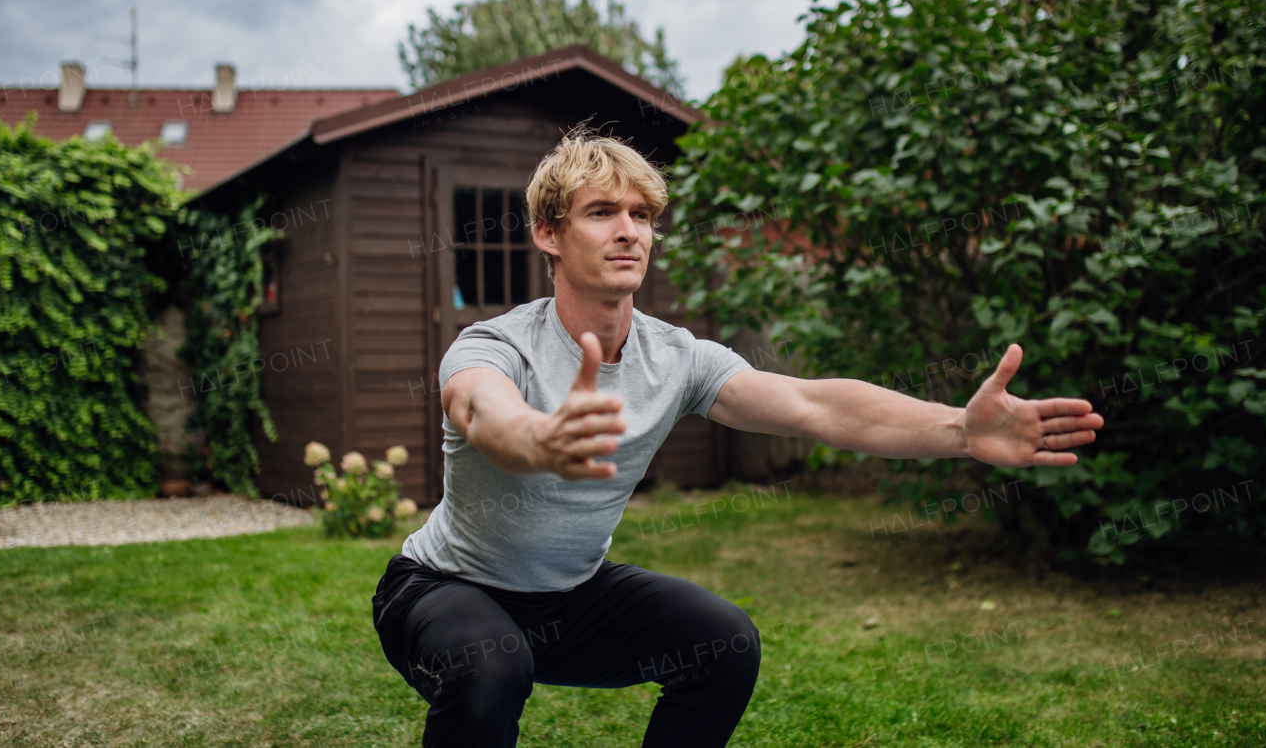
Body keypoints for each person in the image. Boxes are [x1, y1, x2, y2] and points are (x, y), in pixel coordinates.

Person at [372, 130, 1103, 748]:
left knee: (723, 642)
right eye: (601, 212)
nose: (630, 229)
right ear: (548, 234)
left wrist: (959, 429)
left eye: (641, 213)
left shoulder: (678, 356)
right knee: (492, 668)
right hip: (443, 590)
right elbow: (480, 409)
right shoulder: (495, 344)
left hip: (568, 596)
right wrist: (539, 437)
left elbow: (811, 404)